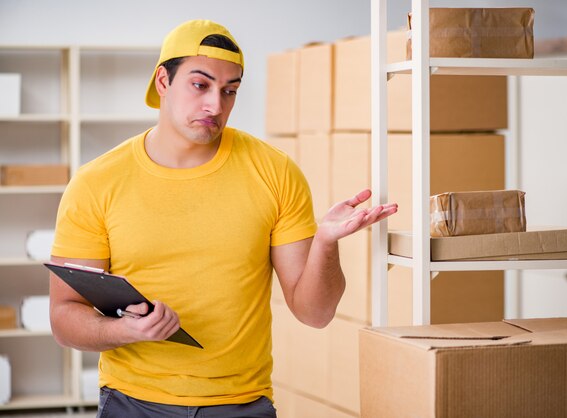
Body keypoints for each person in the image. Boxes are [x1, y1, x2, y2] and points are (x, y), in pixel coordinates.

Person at [48, 19, 397, 418]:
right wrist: (123, 330)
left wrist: (325, 242)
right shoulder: (96, 183)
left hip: (242, 405)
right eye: (201, 85)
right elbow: (64, 317)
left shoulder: (275, 172)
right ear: (163, 81)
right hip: (133, 403)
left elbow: (314, 313)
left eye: (230, 90)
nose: (216, 105)